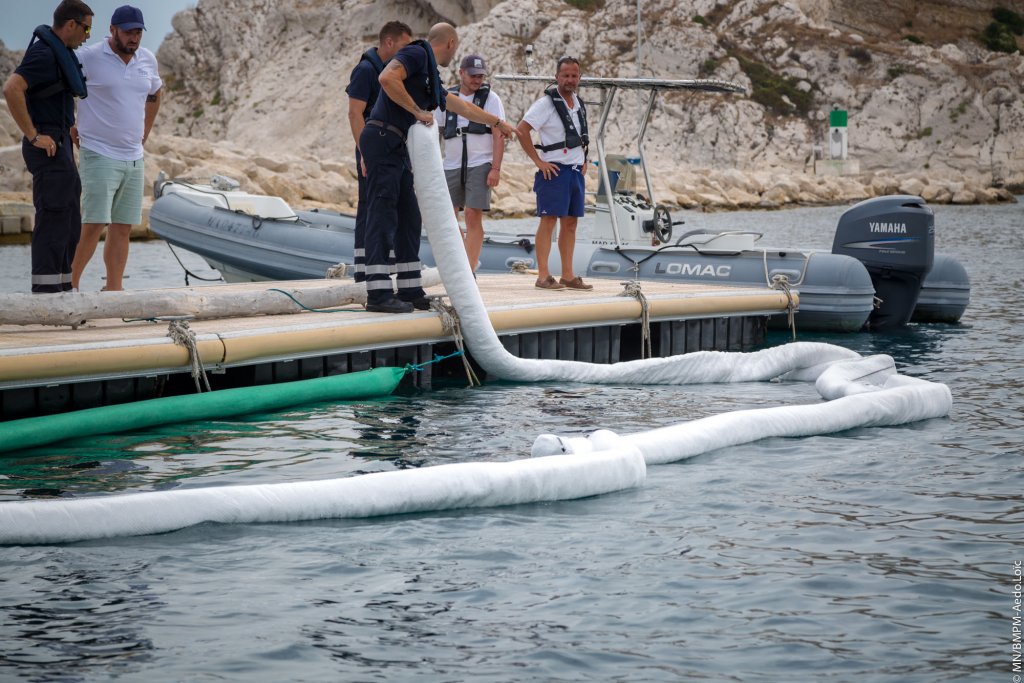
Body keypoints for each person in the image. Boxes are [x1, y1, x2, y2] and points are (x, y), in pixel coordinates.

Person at [358, 22, 517, 313]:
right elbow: (386, 78)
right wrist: (417, 111)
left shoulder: (429, 73)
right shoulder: (418, 53)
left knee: (409, 216)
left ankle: (409, 288)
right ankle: (378, 293)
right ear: (451, 43)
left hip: (397, 147)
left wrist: (497, 122)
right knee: (382, 215)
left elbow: (459, 106)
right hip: (382, 139)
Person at [69, 5, 162, 292]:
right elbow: (61, 90)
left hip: (134, 157)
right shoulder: (87, 57)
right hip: (98, 152)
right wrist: (68, 124)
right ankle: (68, 288)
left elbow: (155, 93)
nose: (134, 38)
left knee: (122, 227)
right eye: (128, 32)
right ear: (112, 30)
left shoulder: (147, 59)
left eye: (137, 32)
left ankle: (113, 290)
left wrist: (144, 133)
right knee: (94, 223)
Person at [2, 0, 93, 293]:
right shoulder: (43, 53)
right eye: (86, 28)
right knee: (53, 217)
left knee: (69, 218)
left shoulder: (60, 54)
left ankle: (63, 290)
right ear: (70, 25)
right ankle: (46, 298)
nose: (88, 35)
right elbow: (11, 88)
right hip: (47, 145)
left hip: (62, 143)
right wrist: (32, 135)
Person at [516, 56, 594, 291]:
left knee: (570, 223)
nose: (570, 80)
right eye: (566, 75)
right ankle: (543, 276)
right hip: (554, 171)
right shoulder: (546, 104)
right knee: (548, 220)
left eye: (574, 75)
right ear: (557, 77)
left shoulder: (578, 103)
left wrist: (584, 159)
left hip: (574, 171)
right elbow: (522, 130)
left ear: (579, 77)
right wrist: (539, 162)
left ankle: (568, 275)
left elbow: (579, 137)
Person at [345, 21, 413, 283]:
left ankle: (379, 266)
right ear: (389, 42)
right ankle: (365, 272)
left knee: (385, 207)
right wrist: (365, 153)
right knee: (370, 206)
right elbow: (354, 113)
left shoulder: (391, 72)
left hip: (389, 150)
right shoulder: (365, 70)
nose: (406, 52)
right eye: (404, 45)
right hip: (371, 149)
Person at [434, 54, 505, 273]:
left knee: (474, 214)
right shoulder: (447, 98)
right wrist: (434, 166)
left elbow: (499, 133)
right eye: (473, 75)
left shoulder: (491, 99)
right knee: (448, 215)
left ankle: (469, 269)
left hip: (480, 163)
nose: (477, 80)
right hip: (451, 164)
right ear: (461, 73)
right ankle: (458, 261)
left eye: (481, 76)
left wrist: (495, 168)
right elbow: (434, 131)